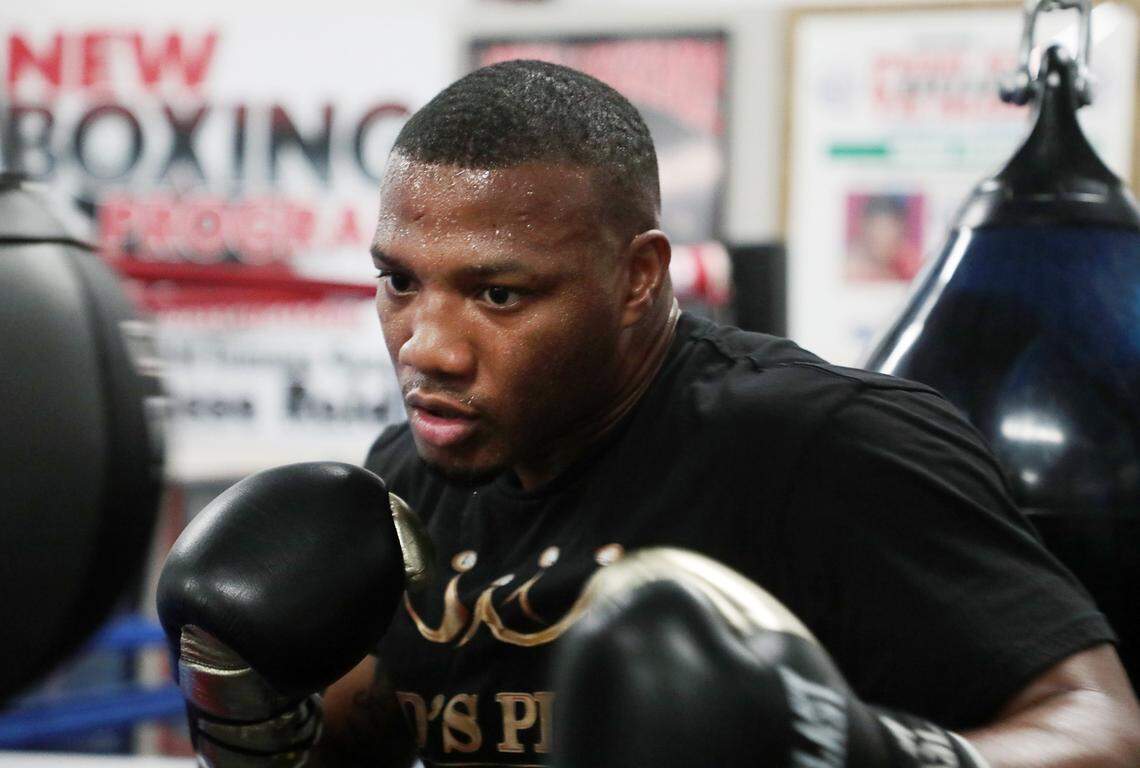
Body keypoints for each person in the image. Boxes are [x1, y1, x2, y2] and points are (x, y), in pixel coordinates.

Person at [165, 60, 1140, 767]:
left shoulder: (823, 447)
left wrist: (871, 755)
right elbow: (357, 737)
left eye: (498, 294)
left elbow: (1100, 730)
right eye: (400, 281)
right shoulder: (410, 477)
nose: (427, 347)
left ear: (638, 277)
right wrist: (247, 706)